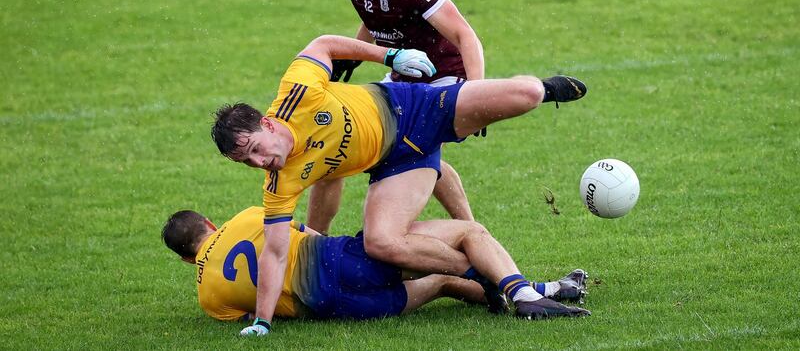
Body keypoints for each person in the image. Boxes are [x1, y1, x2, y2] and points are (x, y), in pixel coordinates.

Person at [210, 34, 588, 335]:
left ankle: (546, 88)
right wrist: (262, 321)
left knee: (529, 95)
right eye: (247, 162)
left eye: (255, 149)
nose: (259, 162)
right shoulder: (278, 182)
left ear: (268, 124)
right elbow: (274, 254)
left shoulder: (298, 92)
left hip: (413, 109)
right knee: (380, 241)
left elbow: (322, 43)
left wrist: (390, 57)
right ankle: (516, 286)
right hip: (398, 165)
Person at [305, 0, 487, 233]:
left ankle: (467, 235)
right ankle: (471, 233)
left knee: (409, 148)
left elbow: (464, 34)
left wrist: (479, 93)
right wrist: (355, 53)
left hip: (443, 71)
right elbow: (373, 14)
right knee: (413, 150)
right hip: (404, 73)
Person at [161, 206, 589, 330]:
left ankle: (527, 296)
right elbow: (310, 232)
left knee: (440, 281)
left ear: (185, 259)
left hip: (336, 309)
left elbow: (257, 312)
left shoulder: (207, 300)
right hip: (341, 263)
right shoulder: (247, 217)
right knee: (467, 232)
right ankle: (533, 291)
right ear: (211, 224)